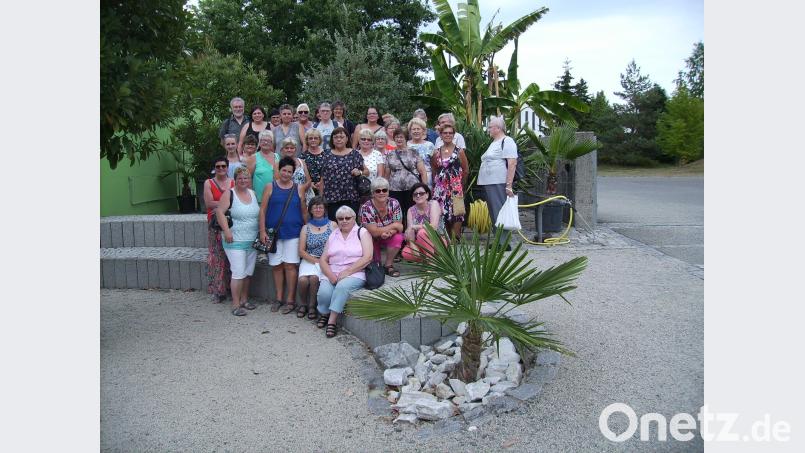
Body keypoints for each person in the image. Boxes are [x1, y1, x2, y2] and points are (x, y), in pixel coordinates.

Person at [258, 157, 308, 314]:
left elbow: (304, 211)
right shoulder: (269, 187)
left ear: (293, 173)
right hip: (274, 234)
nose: (286, 174)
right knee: (277, 266)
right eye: (284, 170)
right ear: (279, 171)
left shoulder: (299, 188)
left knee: (290, 266)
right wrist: (262, 231)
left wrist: (307, 232)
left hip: (293, 233)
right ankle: (279, 298)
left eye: (289, 171)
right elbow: (263, 210)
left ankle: (291, 300)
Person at [316, 205, 373, 338]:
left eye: (348, 218)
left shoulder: (362, 232)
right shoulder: (333, 235)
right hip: (333, 271)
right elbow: (323, 259)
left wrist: (348, 271)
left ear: (354, 218)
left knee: (341, 288)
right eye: (340, 218)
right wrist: (330, 275)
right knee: (324, 293)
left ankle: (332, 321)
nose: (344, 221)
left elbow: (368, 257)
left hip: (355, 272)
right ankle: (324, 313)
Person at [216, 167, 260, 316]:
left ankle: (244, 300)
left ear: (250, 180)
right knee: (238, 272)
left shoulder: (253, 194)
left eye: (246, 178)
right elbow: (220, 212)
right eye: (240, 178)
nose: (243, 181)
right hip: (235, 240)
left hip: (251, 240)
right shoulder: (229, 194)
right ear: (235, 179)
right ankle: (235, 304)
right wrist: (226, 231)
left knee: (248, 273)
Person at [478, 115, 518, 248]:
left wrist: (509, 185)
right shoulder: (494, 142)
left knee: (499, 211)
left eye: (490, 127)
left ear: (498, 128)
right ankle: (498, 241)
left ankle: (503, 243)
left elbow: (512, 163)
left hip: (498, 181)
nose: (488, 129)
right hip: (490, 182)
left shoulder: (507, 141)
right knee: (494, 211)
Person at [297, 197, 337, 320]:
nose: (318, 209)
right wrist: (316, 261)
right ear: (311, 210)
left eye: (320, 206)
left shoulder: (333, 225)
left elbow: (337, 245)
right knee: (303, 280)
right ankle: (303, 304)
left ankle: (312, 306)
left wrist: (324, 261)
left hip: (327, 260)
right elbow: (301, 251)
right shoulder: (306, 227)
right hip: (310, 258)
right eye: (315, 207)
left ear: (324, 209)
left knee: (314, 278)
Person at [358, 177, 404, 277]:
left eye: (384, 190)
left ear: (388, 191)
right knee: (376, 265)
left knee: (398, 237)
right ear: (373, 193)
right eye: (378, 191)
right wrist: (393, 226)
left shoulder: (394, 203)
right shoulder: (367, 207)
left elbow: (399, 227)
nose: (381, 193)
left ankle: (388, 265)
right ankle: (376, 264)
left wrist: (390, 232)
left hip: (388, 234)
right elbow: (373, 232)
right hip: (370, 238)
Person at [431, 123, 469, 240]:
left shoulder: (459, 151)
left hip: (456, 187)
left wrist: (461, 185)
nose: (448, 135)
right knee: (443, 212)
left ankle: (455, 238)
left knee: (457, 212)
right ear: (441, 135)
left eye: (450, 133)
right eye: (445, 133)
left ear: (454, 135)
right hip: (440, 188)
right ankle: (446, 240)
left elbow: (466, 170)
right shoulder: (436, 152)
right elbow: (434, 170)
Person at [204, 157, 235, 302]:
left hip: (231, 224)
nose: (221, 169)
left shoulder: (233, 182)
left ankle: (230, 288)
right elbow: (209, 203)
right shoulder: (208, 183)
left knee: (231, 257)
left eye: (223, 166)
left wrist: (222, 204)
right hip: (215, 224)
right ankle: (218, 290)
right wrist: (227, 202)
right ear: (214, 168)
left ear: (227, 167)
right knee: (216, 257)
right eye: (218, 166)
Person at [385, 127, 428, 231]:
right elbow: (387, 175)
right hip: (395, 190)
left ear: (405, 138)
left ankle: (414, 235)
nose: (399, 139)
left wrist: (425, 189)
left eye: (401, 137)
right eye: (396, 137)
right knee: (397, 214)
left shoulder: (414, 152)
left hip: (412, 189)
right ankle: (401, 238)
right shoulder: (390, 155)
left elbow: (422, 172)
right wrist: (385, 190)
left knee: (413, 212)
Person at [320, 127, 366, 220]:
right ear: (332, 140)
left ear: (347, 139)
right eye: (336, 137)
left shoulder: (355, 154)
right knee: (334, 225)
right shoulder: (326, 154)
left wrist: (359, 172)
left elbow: (366, 171)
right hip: (331, 197)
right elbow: (322, 178)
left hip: (351, 197)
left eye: (341, 137)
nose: (339, 139)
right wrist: (321, 199)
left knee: (350, 224)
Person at [401, 183, 444, 262]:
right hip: (421, 242)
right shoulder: (411, 210)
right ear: (413, 198)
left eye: (421, 193)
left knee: (422, 232)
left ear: (427, 195)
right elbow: (410, 234)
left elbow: (433, 226)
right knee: (406, 253)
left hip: (438, 240)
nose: (418, 196)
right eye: (415, 194)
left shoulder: (433, 204)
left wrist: (415, 227)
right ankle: (428, 259)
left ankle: (432, 263)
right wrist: (412, 244)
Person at [244, 130, 279, 202]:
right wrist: (251, 196)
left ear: (272, 143)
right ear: (259, 143)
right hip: (259, 198)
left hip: (275, 196)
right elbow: (248, 178)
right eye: (263, 140)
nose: (265, 142)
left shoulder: (277, 156)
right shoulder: (253, 158)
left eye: (268, 141)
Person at [279, 137, 313, 202]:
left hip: (304, 197)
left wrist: (301, 190)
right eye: (287, 148)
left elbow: (308, 181)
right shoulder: (279, 164)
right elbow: (278, 183)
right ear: (282, 149)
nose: (289, 150)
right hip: (287, 198)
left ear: (295, 149)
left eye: (292, 148)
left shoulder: (302, 162)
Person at [407, 117, 436, 186]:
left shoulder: (430, 145)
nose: (416, 131)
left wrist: (434, 180)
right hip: (410, 179)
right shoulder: (406, 145)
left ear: (423, 131)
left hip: (427, 178)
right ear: (410, 131)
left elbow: (433, 165)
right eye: (414, 129)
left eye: (418, 129)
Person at [301, 128, 326, 202]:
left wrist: (322, 183)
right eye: (310, 138)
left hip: (325, 188)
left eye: (316, 138)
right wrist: (309, 183)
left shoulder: (327, 154)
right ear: (307, 140)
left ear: (319, 140)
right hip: (309, 189)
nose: (313, 140)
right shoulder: (303, 156)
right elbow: (301, 174)